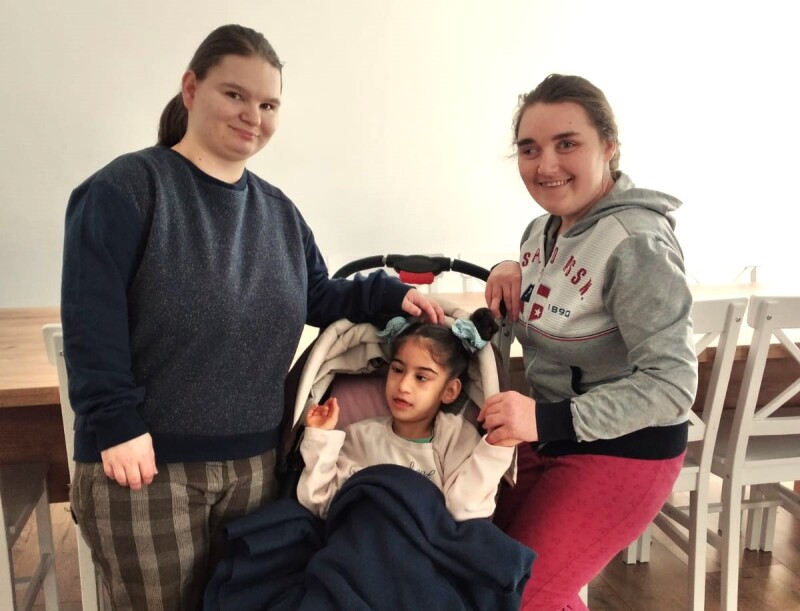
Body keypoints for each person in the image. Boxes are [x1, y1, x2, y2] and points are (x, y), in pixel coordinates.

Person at [60, 24, 444, 610]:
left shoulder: (279, 212)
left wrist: (390, 295)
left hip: (255, 470)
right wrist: (115, 423)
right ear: (191, 89)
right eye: (235, 95)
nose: (253, 116)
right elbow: (92, 318)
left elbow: (318, 294)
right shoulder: (127, 188)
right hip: (147, 467)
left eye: (268, 104)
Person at [478, 74, 698, 610]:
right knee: (478, 568)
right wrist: (502, 280)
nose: (545, 165)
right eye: (530, 149)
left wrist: (547, 422)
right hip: (549, 436)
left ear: (610, 145)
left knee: (522, 596)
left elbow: (673, 386)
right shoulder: (540, 231)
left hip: (625, 451)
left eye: (567, 144)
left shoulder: (637, 243)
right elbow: (537, 319)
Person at [297, 308, 517, 521]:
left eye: (421, 378)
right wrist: (319, 438)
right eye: (397, 370)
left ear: (449, 391)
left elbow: (464, 508)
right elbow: (320, 502)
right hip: (362, 536)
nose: (403, 386)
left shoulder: (456, 437)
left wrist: (498, 448)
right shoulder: (360, 436)